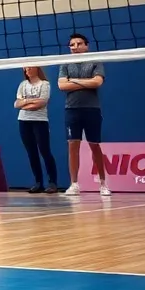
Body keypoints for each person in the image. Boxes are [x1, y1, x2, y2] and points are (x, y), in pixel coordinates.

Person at [59, 33, 109, 196]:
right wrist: (85, 83)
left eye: (79, 44)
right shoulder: (65, 63)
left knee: (94, 145)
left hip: (92, 109)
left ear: (86, 46)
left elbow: (97, 82)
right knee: (73, 146)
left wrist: (73, 81)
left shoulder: (96, 61)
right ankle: (74, 184)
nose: (75, 47)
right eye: (72, 45)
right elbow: (61, 85)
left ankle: (103, 183)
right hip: (72, 110)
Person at [15, 67, 58, 194]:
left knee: (45, 151)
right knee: (31, 152)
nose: (26, 69)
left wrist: (25, 104)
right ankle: (38, 182)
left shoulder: (45, 84)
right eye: (25, 67)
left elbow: (42, 102)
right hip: (23, 121)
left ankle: (52, 182)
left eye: (29, 67)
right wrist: (30, 102)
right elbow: (17, 104)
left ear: (36, 68)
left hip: (40, 121)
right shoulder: (23, 85)